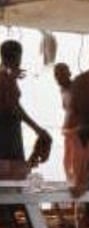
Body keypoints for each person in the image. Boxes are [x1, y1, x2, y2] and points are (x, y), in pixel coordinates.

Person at [0, 40, 51, 181]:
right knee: (11, 181)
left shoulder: (7, 75)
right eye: (18, 58)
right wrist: (37, 129)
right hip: (7, 135)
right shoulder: (5, 78)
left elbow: (15, 105)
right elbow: (14, 108)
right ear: (16, 57)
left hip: (10, 131)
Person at [55, 63, 82, 183]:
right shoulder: (63, 89)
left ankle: (76, 182)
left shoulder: (76, 88)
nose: (59, 77)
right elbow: (68, 110)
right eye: (56, 75)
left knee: (76, 159)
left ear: (69, 74)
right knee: (67, 157)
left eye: (62, 74)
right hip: (68, 129)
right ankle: (70, 182)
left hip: (77, 129)